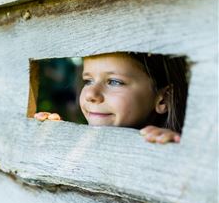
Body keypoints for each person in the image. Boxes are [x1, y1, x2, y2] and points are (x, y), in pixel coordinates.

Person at [34, 52, 188, 144]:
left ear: (163, 99)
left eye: (114, 82)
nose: (90, 94)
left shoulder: (170, 143)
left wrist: (169, 144)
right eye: (88, 81)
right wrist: (58, 136)